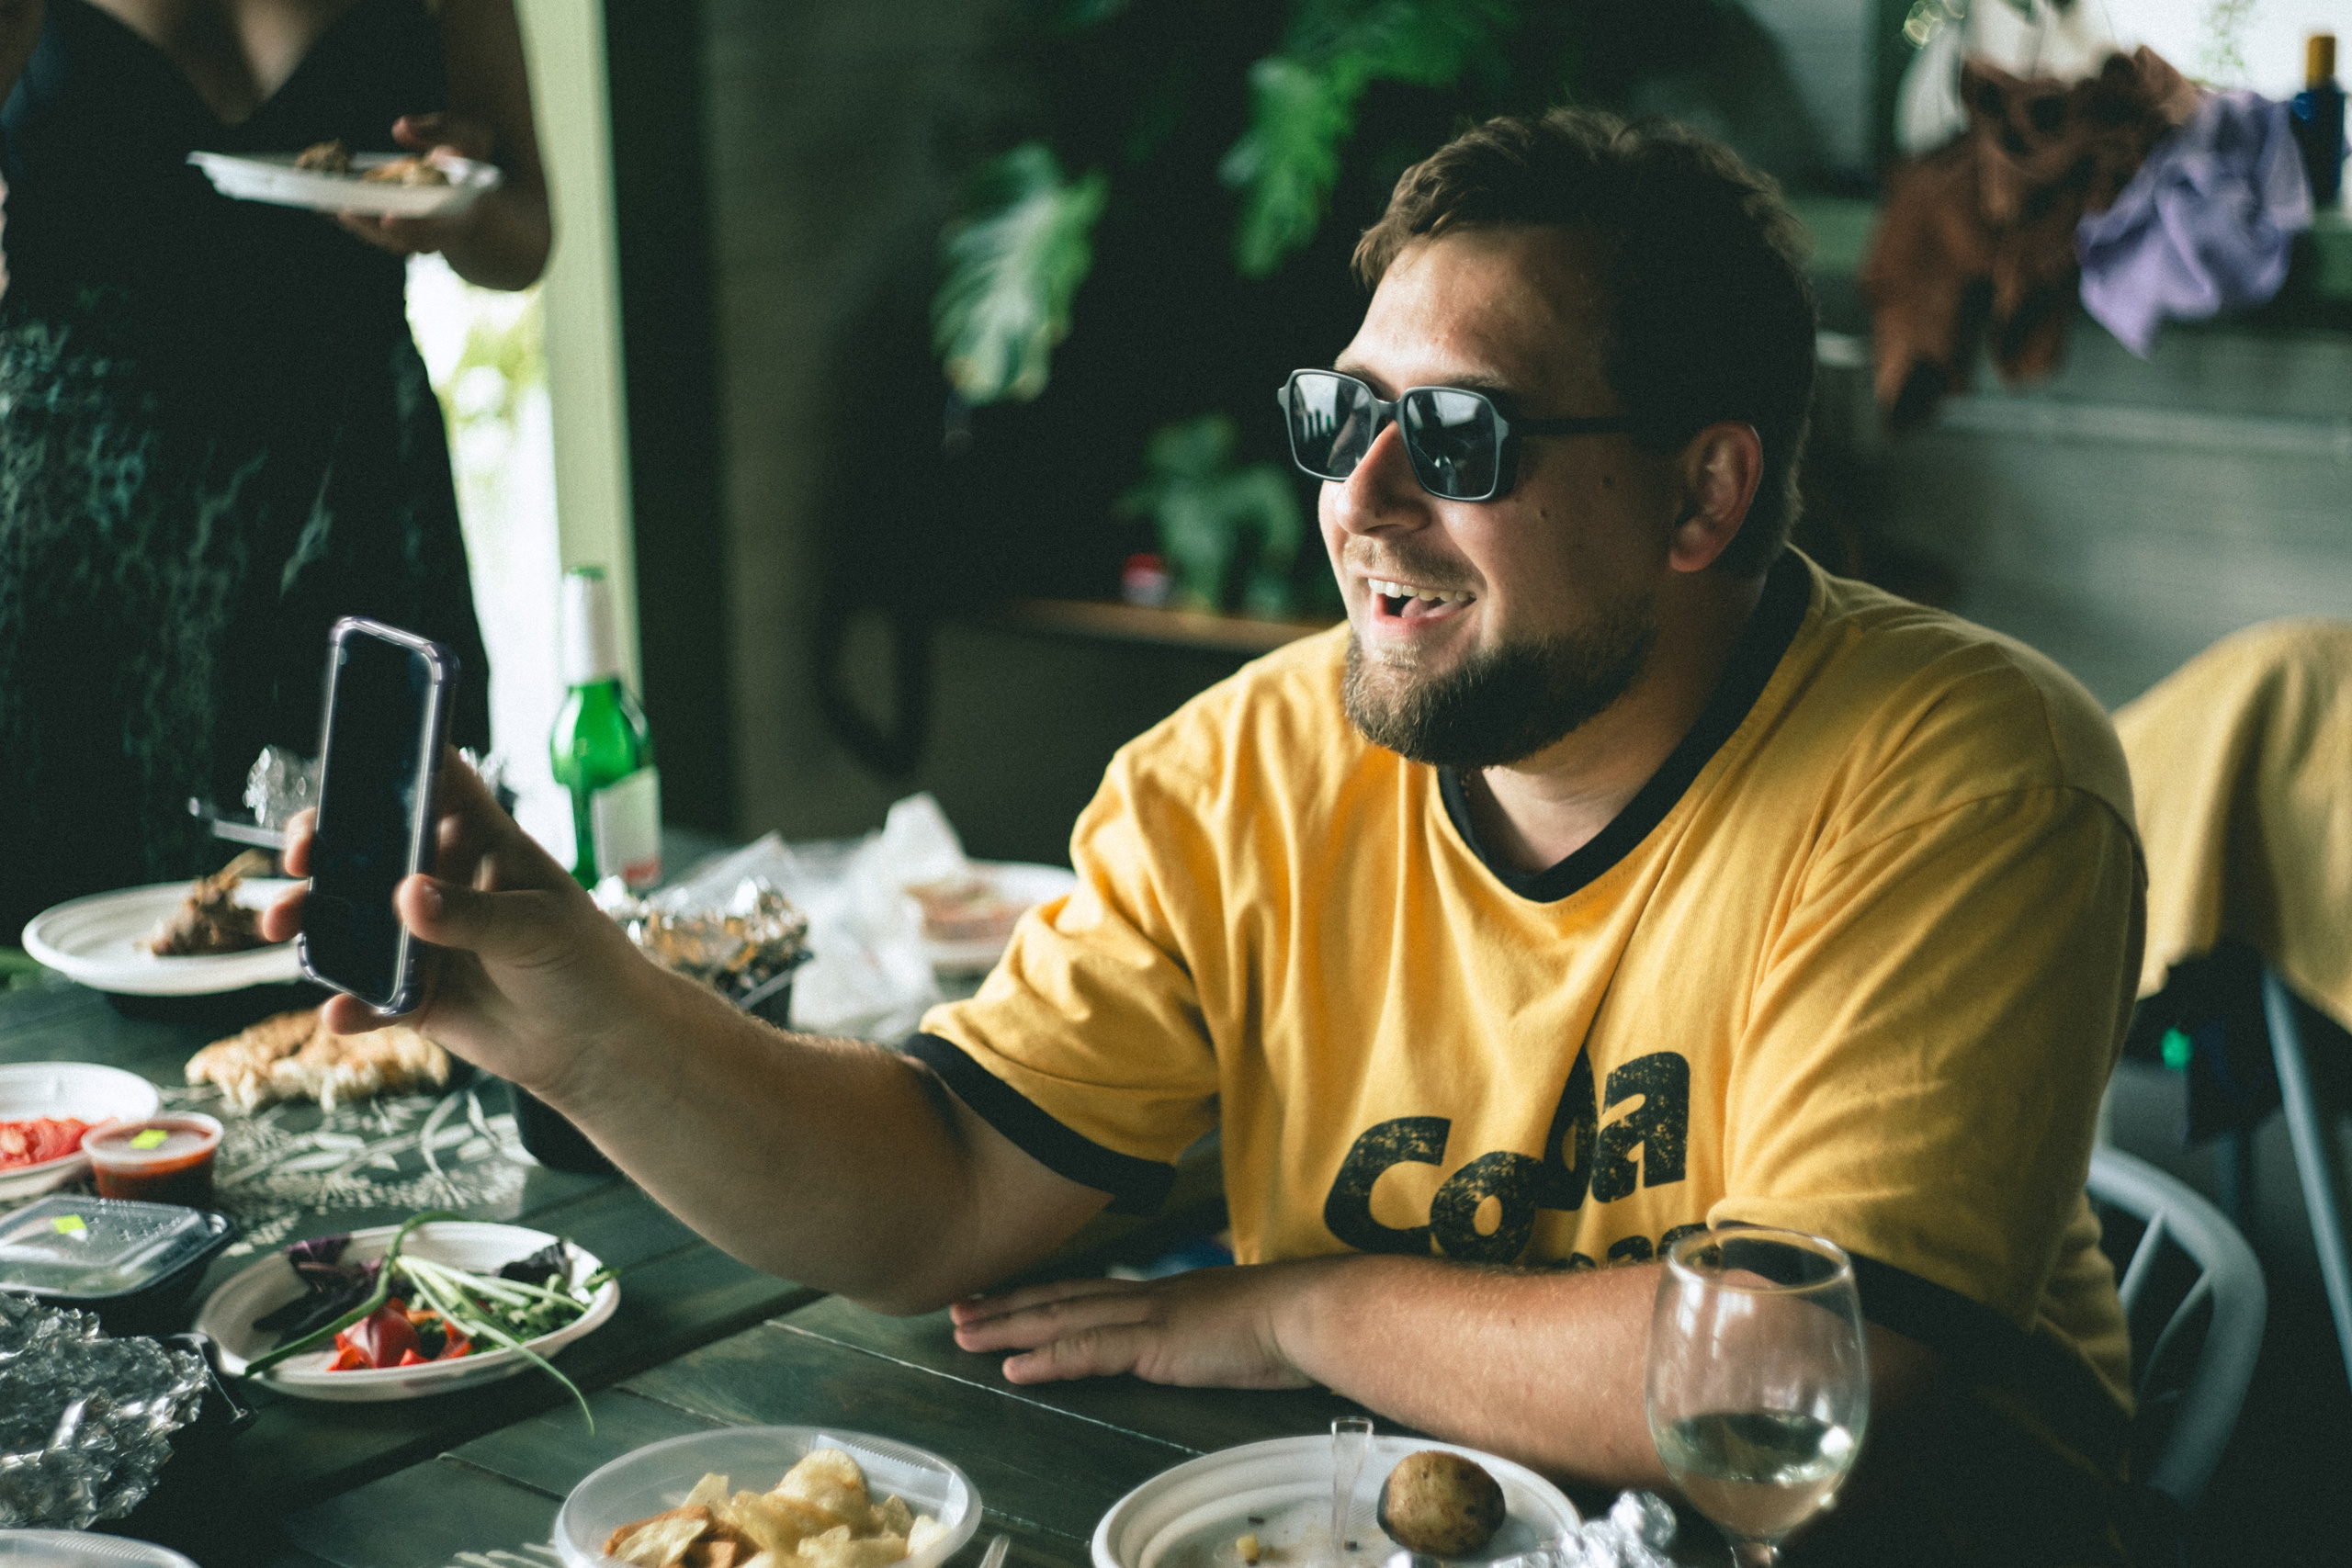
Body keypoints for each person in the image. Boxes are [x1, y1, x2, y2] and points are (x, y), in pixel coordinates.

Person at [271, 111, 2146, 1565]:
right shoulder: (1238, 770)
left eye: (1458, 438)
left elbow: (1795, 1389)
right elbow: (942, 1186)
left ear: (1702, 492)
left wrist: (1305, 1308)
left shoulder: (1957, 774)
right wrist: (580, 1016)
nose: (1360, 499)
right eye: (1342, 415)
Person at [0, 0, 546, 939]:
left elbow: (525, 237)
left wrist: (462, 203)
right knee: (73, 935)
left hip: (356, 490)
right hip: (88, 523)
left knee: (393, 916)